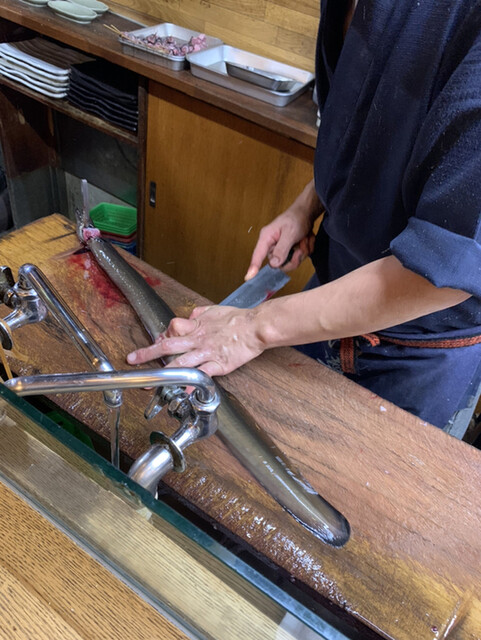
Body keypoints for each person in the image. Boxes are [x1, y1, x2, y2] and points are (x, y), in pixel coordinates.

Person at [127, 0, 481, 436]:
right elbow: (372, 133)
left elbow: (447, 267)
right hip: (329, 299)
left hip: (416, 354)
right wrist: (307, 205)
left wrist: (253, 328)